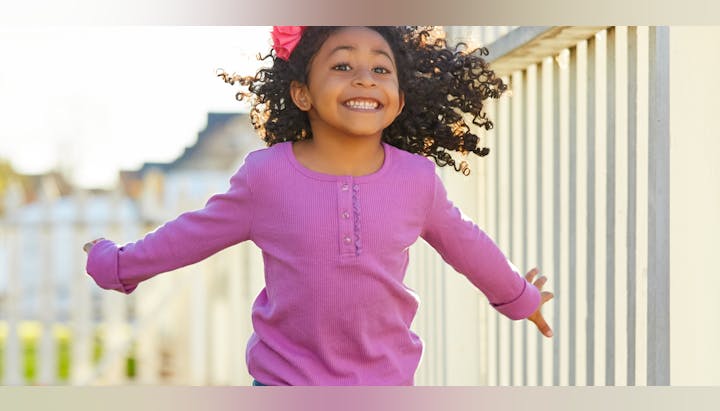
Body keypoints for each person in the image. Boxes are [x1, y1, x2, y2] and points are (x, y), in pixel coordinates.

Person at [84, 26, 554, 386]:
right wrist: (116, 263)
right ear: (301, 93)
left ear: (399, 99)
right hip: (283, 384)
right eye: (343, 67)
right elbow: (191, 235)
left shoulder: (417, 179)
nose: (365, 79)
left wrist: (520, 297)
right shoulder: (266, 176)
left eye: (381, 69)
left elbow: (466, 243)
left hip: (387, 387)